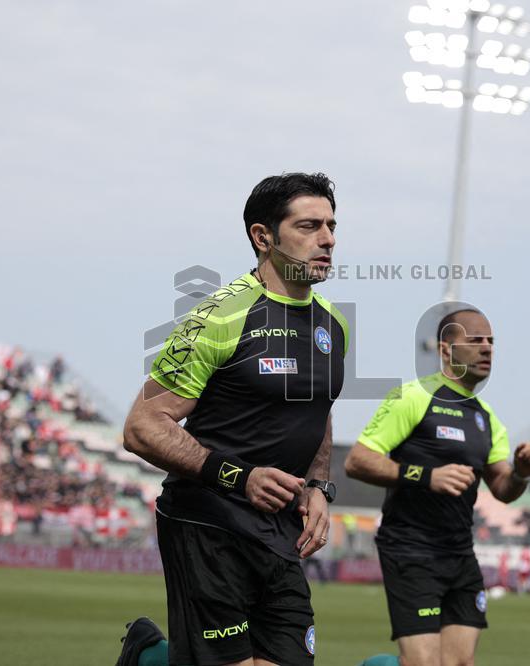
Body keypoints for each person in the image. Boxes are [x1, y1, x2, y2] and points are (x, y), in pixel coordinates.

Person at [118, 173, 347, 666]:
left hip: (280, 532)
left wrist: (319, 487)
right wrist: (240, 478)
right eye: (309, 226)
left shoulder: (334, 324)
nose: (327, 239)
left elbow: (318, 412)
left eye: (331, 225)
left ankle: (150, 657)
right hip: (208, 525)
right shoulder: (217, 318)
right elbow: (142, 426)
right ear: (263, 237)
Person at [345, 308, 530, 666]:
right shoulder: (411, 396)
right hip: (410, 549)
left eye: (491, 342)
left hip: (460, 553)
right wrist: (427, 476)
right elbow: (358, 461)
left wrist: (521, 474)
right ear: (446, 349)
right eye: (475, 340)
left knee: (460, 663)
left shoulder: (486, 418)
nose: (487, 349)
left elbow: (502, 488)